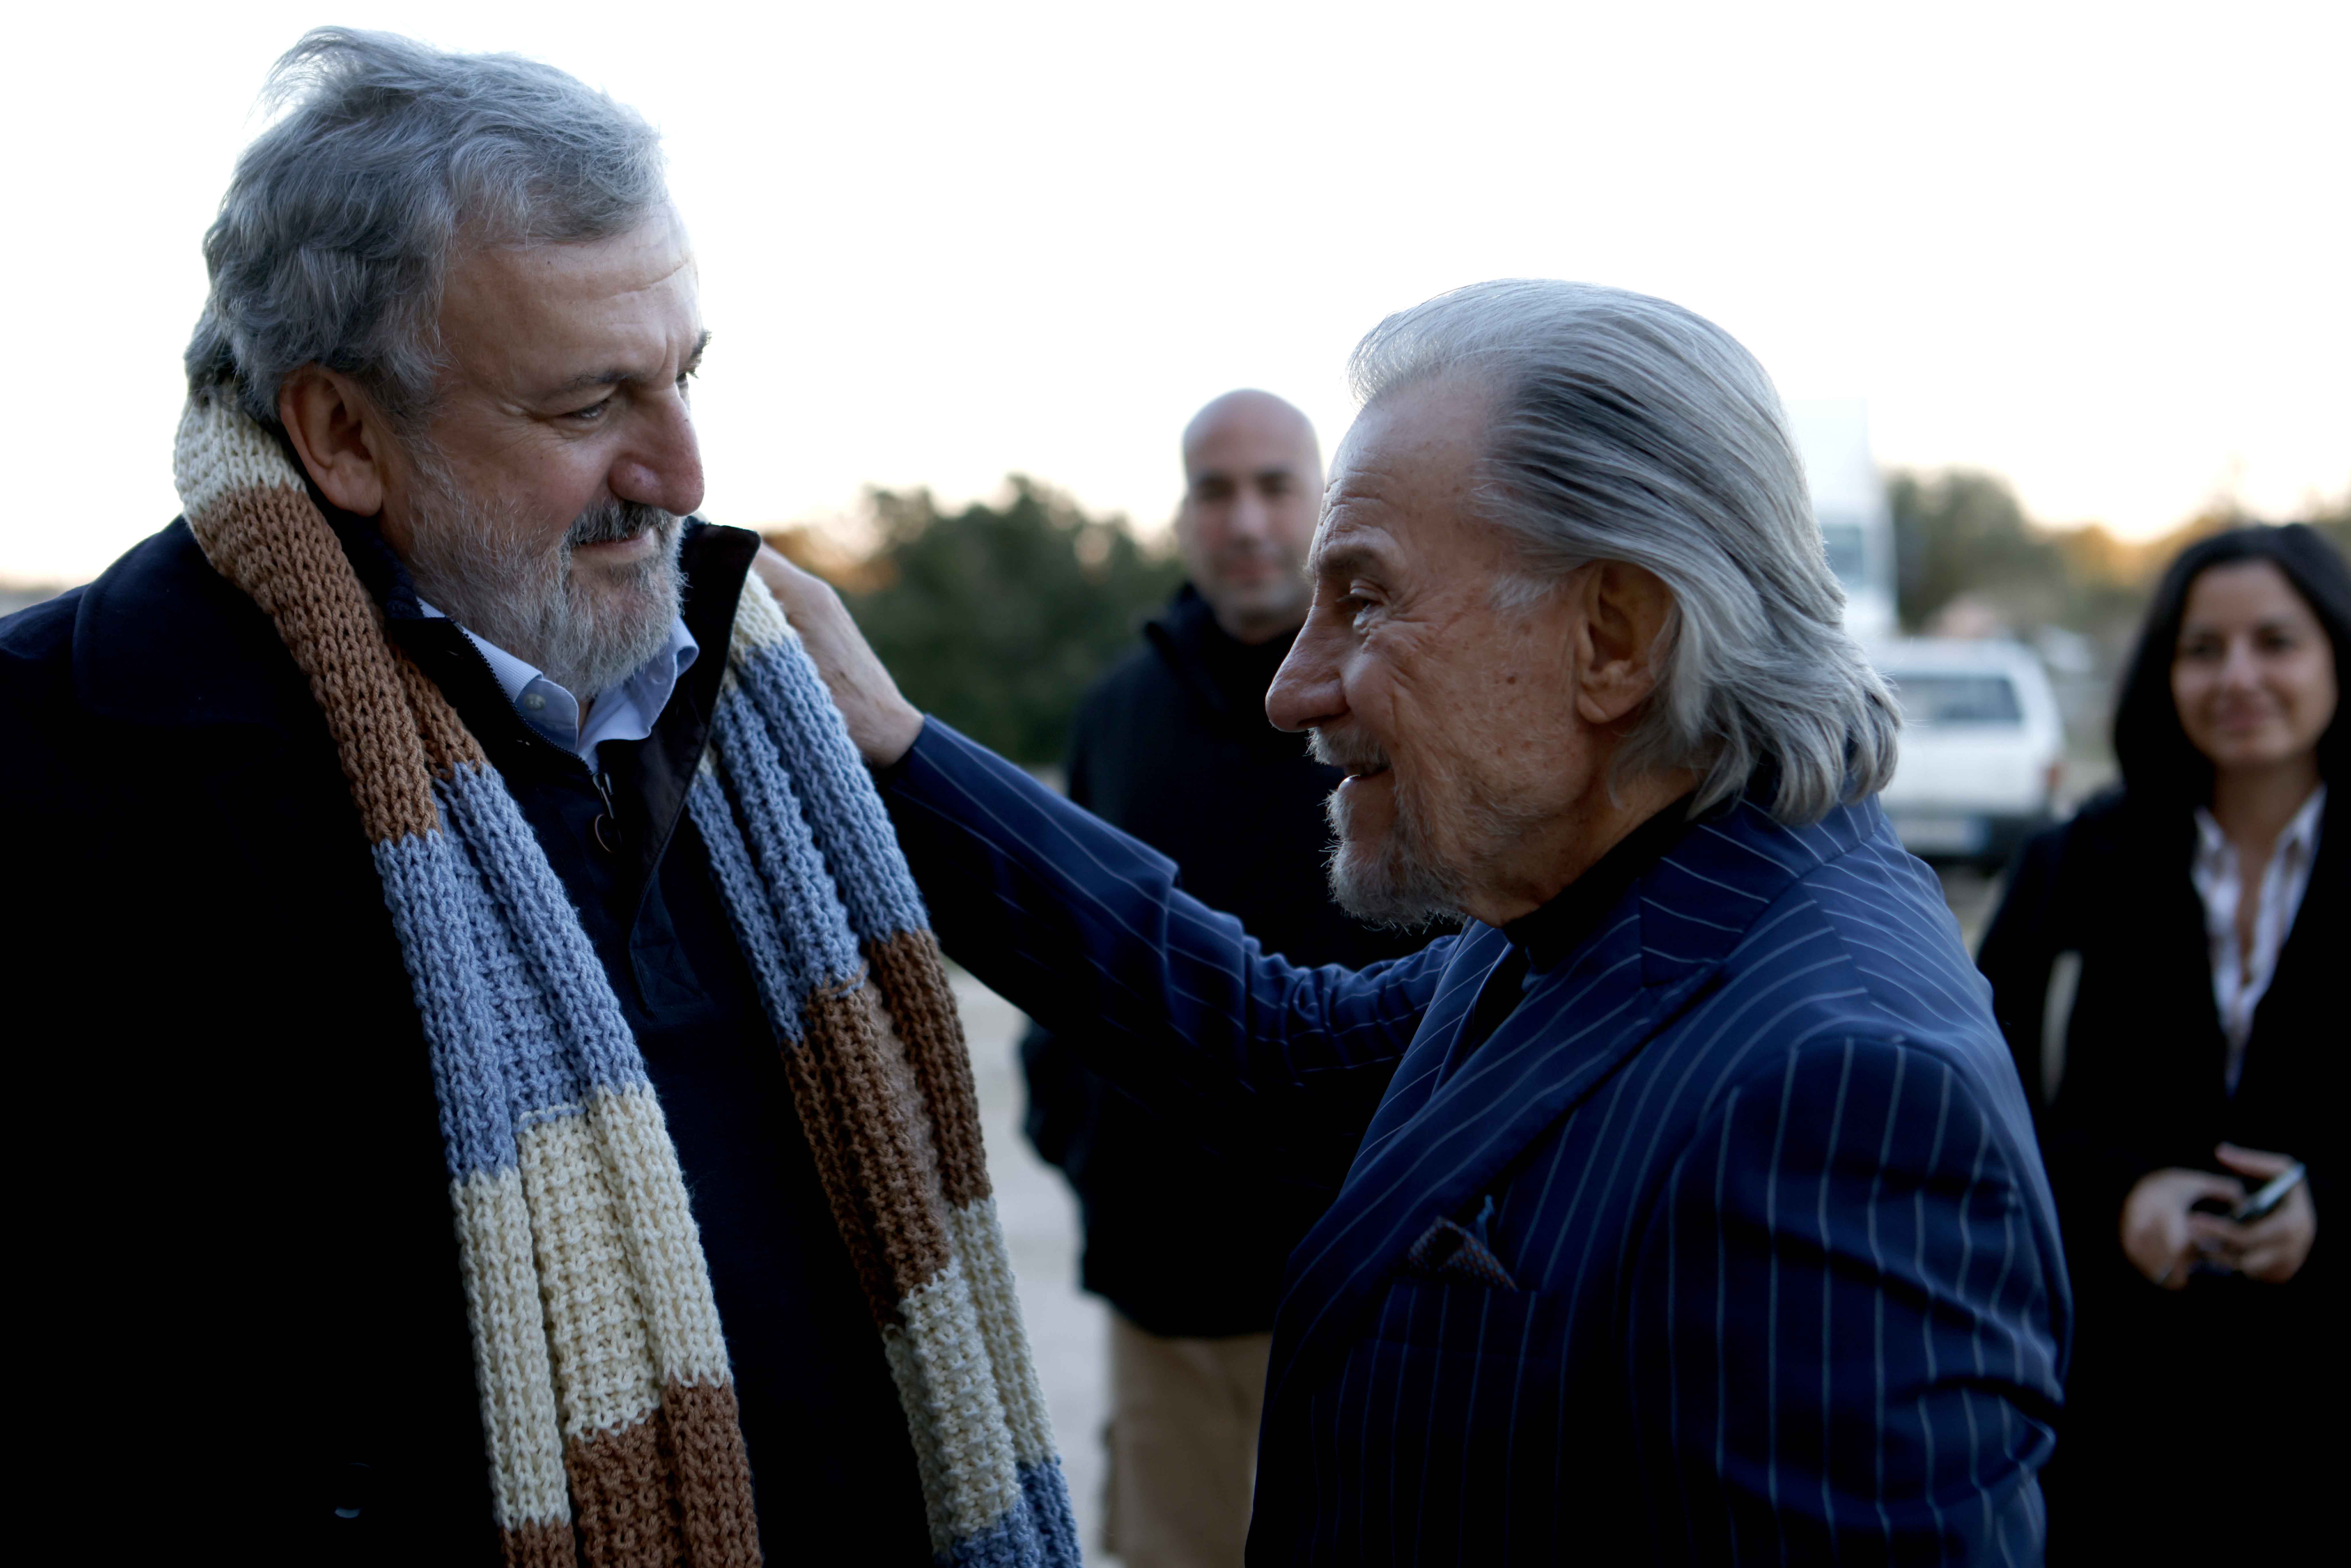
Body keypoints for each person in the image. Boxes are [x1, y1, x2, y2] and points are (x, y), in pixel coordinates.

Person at [757, 278, 2069, 1562]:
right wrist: (888, 747)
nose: (1293, 689)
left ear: (1614, 636)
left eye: (1366, 599)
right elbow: (1270, 1048)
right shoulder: (1600, 907)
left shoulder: (1836, 1093)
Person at [0, 31, 1076, 1566]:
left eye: (685, 376)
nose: (684, 471)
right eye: (589, 406)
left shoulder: (764, 705)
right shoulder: (59, 770)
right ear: (343, 434)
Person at [1019, 390, 1425, 1568]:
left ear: (1324, 503)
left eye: (1274, 487)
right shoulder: (1120, 715)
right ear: (1185, 514)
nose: (1246, 521)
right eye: (1215, 490)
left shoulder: (1405, 699)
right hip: (1174, 1299)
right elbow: (1064, 962)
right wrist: (1087, 1144)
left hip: (1375, 1293)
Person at [1976, 524, 2341, 1559]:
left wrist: (2324, 1211)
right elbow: (1981, 1110)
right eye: (2203, 649)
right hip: (2116, 1422)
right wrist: (2121, 1197)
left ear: (2337, 656)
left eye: (2277, 642)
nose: (2239, 678)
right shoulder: (2072, 865)